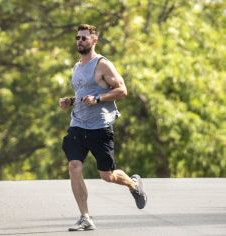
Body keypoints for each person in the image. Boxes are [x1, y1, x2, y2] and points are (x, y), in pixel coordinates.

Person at [59, 24, 147, 231]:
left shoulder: (103, 64)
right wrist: (70, 101)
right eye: (78, 38)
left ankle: (133, 185)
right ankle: (85, 217)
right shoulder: (77, 66)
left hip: (100, 127)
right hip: (78, 125)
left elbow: (122, 90)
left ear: (94, 41)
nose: (79, 41)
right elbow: (84, 93)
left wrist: (98, 98)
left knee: (107, 176)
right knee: (74, 167)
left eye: (84, 38)